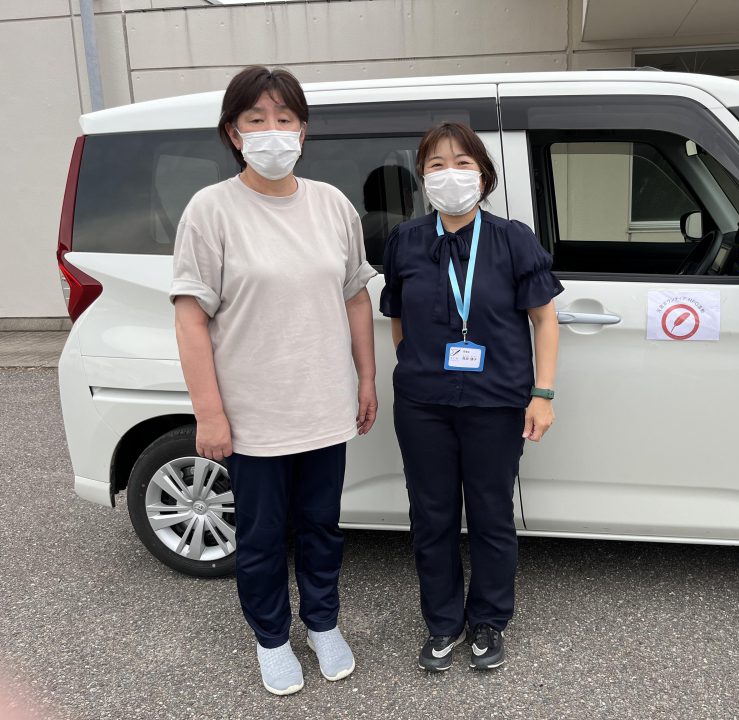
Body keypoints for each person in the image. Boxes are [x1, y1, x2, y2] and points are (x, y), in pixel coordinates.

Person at [170, 66, 377, 696]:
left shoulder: (331, 204)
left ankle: (323, 624)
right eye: (256, 119)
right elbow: (190, 317)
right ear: (233, 133)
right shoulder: (212, 210)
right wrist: (209, 413)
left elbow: (355, 297)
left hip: (324, 405)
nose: (272, 131)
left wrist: (367, 377)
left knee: (322, 527)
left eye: (284, 119)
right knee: (261, 537)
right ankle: (271, 638)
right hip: (254, 414)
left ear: (303, 130)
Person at [380, 122, 563, 672]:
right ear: (422, 175)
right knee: (431, 516)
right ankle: (442, 622)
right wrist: (416, 365)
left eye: (462, 163)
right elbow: (397, 317)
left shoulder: (512, 239)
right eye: (436, 164)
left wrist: (542, 394)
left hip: (496, 402)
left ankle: (487, 620)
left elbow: (544, 320)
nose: (450, 174)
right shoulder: (406, 240)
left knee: (490, 514)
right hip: (423, 405)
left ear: (483, 175)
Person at [360, 164, 418, 265]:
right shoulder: (404, 226)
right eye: (411, 194)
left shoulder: (361, 224)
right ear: (406, 195)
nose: (413, 201)